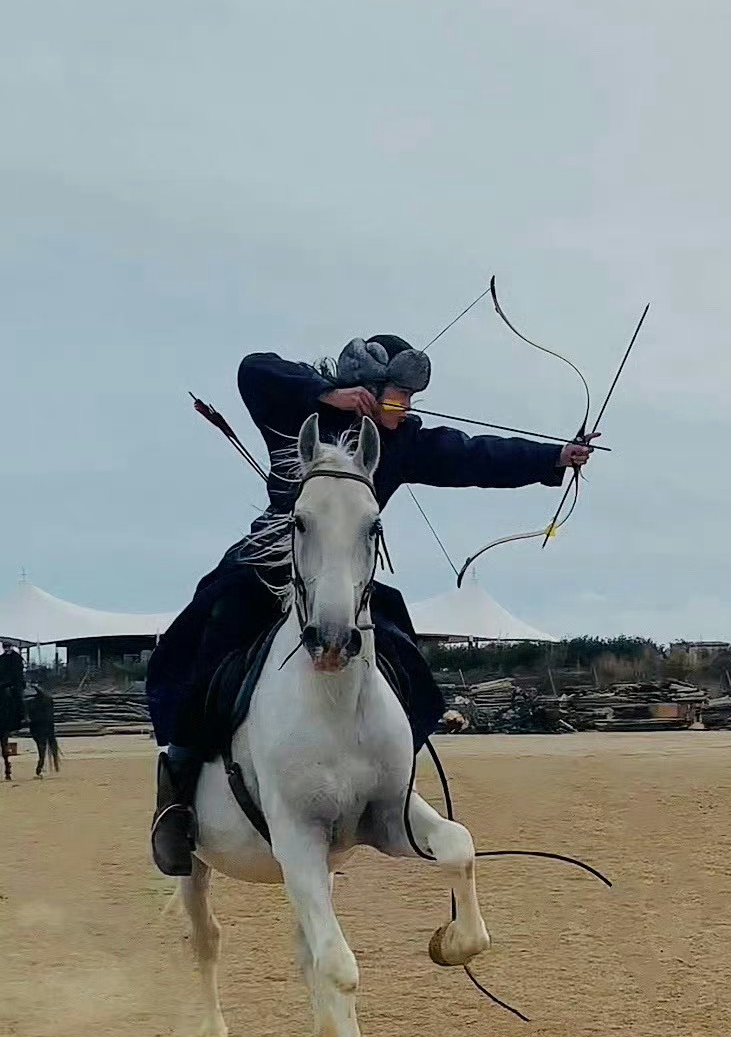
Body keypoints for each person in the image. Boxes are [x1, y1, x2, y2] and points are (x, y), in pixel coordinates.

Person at [146, 334, 596, 874]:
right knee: (205, 638)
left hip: (348, 575)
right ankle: (177, 792)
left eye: (408, 398)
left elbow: (474, 455)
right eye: (395, 396)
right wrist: (324, 393)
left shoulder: (401, 441)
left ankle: (394, 768)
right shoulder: (298, 409)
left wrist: (554, 456)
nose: (403, 407)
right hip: (273, 560)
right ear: (362, 387)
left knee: (400, 645)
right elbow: (253, 369)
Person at [0, 641, 25, 783]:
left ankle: (23, 716)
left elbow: (17, 672)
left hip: (16, 684)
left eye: (8, 647)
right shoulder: (1, 659)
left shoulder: (17, 658)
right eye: (5, 648)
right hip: (3, 684)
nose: (7, 649)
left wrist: (10, 682)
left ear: (11, 647)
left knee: (17, 697)